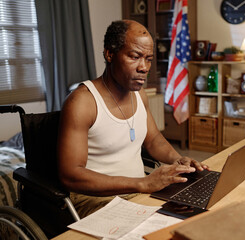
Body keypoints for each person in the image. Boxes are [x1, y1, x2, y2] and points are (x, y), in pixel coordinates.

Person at [57, 20, 208, 218]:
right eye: (135, 57)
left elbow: (153, 140)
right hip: (94, 200)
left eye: (148, 59)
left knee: (196, 214)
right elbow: (71, 175)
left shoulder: (139, 94)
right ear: (109, 54)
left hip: (139, 193)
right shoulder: (82, 102)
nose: (144, 67)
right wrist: (142, 184)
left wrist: (177, 159)